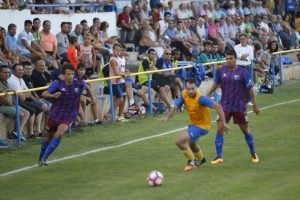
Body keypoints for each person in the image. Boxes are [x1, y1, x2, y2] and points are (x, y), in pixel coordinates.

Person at [158, 77, 229, 172]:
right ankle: (201, 159)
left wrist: (223, 122)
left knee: (179, 141)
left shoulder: (201, 99)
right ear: (185, 88)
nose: (191, 91)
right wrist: (167, 118)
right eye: (188, 89)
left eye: (193, 89)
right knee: (192, 144)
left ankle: (191, 161)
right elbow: (175, 108)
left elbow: (218, 106)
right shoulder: (184, 94)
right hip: (193, 123)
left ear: (197, 88)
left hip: (202, 126)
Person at [207, 48, 260, 165]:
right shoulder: (221, 71)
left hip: (239, 106)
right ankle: (219, 156)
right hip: (224, 106)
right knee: (219, 128)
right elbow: (216, 83)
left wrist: (255, 105)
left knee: (245, 130)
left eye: (231, 58)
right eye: (226, 58)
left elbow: (250, 89)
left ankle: (253, 153)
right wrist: (208, 94)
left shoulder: (243, 72)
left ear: (235, 59)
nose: (228, 60)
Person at [38, 63, 88, 166]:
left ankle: (45, 157)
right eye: (68, 74)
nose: (71, 76)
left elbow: (88, 87)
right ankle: (41, 156)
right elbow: (43, 94)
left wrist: (91, 97)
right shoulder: (58, 84)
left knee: (59, 133)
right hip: (55, 114)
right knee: (48, 136)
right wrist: (52, 95)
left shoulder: (79, 83)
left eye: (72, 74)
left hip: (70, 114)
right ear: (64, 75)